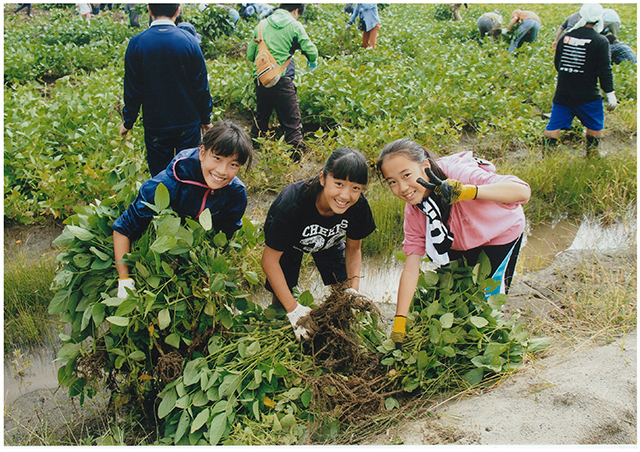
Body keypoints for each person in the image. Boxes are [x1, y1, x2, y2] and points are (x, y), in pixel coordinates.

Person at [377, 139, 530, 349]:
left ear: (425, 166)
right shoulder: (414, 209)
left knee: (487, 302)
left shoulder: (458, 173)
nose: (402, 188)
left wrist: (468, 192)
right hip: (458, 244)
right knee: (456, 299)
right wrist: (399, 323)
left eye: (406, 175)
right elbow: (411, 267)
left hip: (499, 233)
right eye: (392, 182)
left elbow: (522, 191)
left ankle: (493, 346)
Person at [113, 121, 254, 299]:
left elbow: (224, 236)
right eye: (217, 158)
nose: (222, 171)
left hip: (191, 253)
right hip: (159, 251)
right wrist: (124, 279)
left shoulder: (236, 193)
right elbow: (123, 228)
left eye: (233, 164)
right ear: (202, 153)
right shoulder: (168, 184)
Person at [261, 147, 377, 341]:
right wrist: (294, 310)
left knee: (343, 296)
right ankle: (282, 328)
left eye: (355, 188)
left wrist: (353, 289)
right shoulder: (292, 203)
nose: (345, 196)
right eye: (338, 184)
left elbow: (354, 248)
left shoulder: (358, 206)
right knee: (282, 303)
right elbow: (269, 260)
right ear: (323, 178)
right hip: (290, 245)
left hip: (329, 241)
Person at [120, 4, 213, 177]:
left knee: (160, 173)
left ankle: (163, 202)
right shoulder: (189, 41)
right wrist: (205, 118)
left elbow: (133, 89)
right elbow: (200, 86)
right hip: (187, 121)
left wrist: (128, 121)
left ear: (149, 10)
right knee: (188, 170)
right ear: (178, 11)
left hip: (156, 123)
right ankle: (185, 203)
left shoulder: (137, 43)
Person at [542, 3, 616, 157]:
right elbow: (604, 70)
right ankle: (592, 154)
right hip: (588, 94)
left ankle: (547, 157)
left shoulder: (565, 37)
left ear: (580, 16)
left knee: (553, 125)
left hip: (563, 93)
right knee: (595, 125)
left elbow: (558, 64)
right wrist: (610, 93)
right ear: (598, 20)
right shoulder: (600, 41)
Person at [246, 4, 318, 161]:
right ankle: (296, 160)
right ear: (296, 11)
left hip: (261, 79)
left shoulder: (261, 25)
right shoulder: (294, 25)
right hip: (282, 80)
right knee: (291, 122)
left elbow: (250, 55)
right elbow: (311, 51)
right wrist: (312, 61)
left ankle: (254, 156)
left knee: (262, 117)